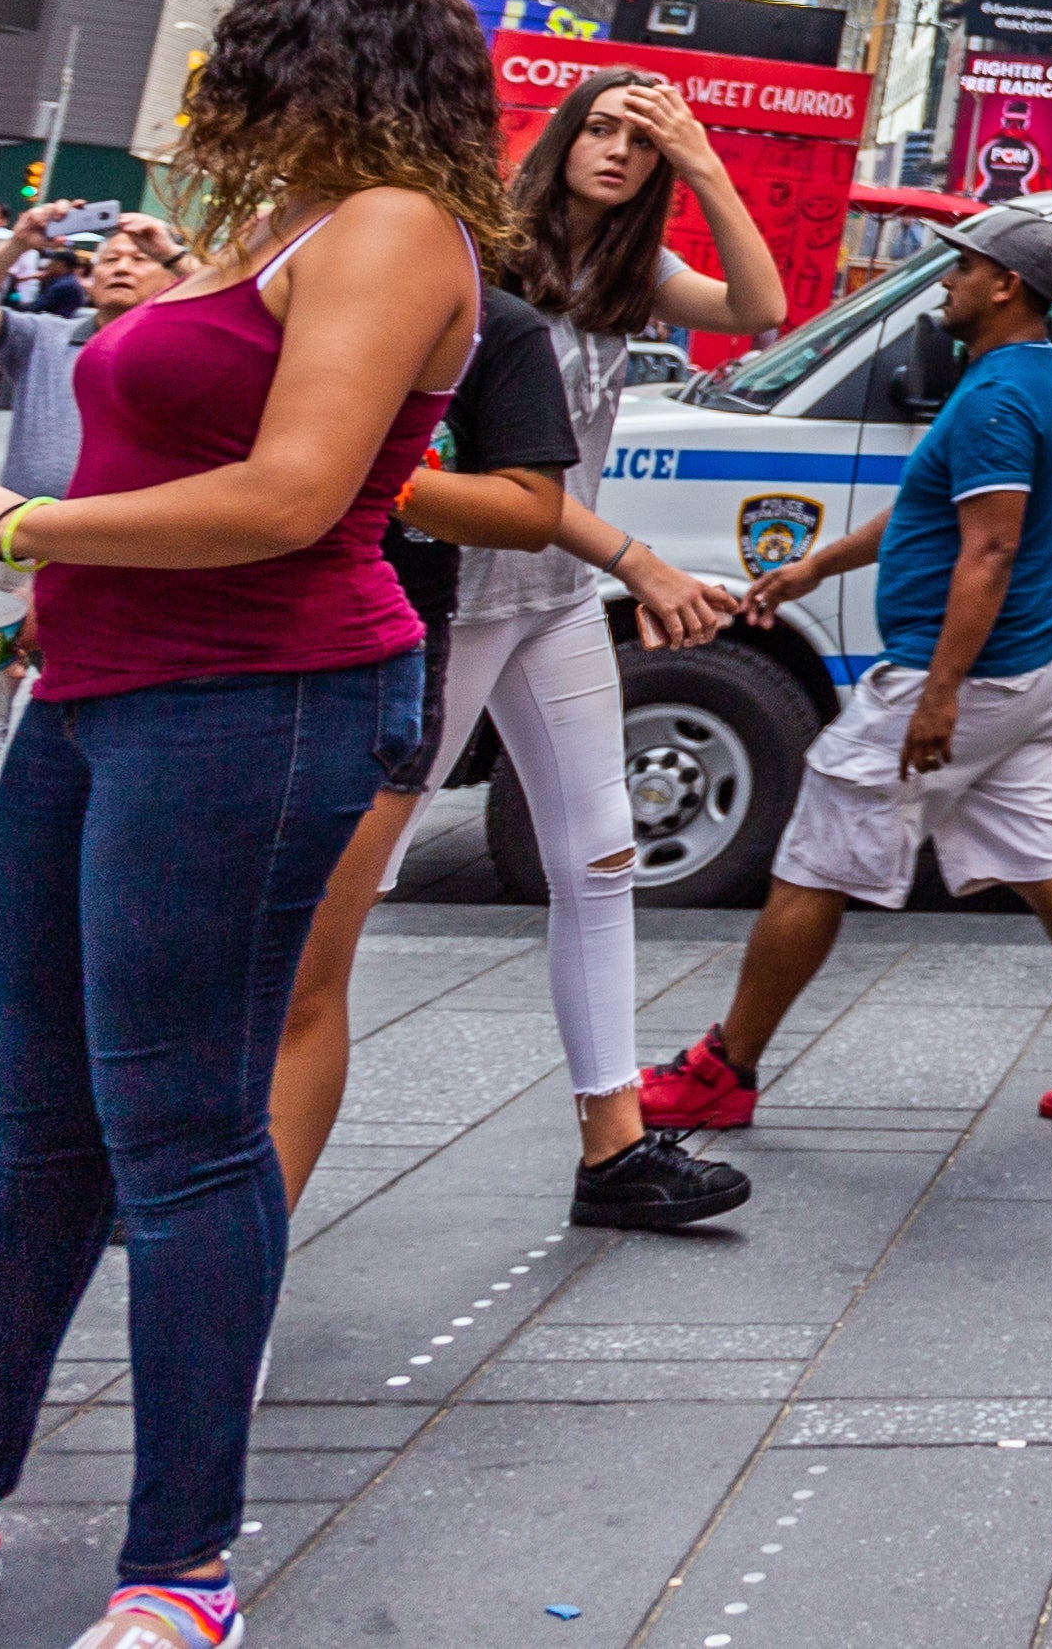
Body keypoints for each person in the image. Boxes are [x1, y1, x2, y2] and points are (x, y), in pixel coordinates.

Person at [0, 0, 503, 1649]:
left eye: (239, 54)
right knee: (42, 1130)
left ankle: (182, 1570)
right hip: (95, 701)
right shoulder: (266, 232)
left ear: (319, 60)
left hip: (258, 705)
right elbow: (140, 467)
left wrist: (3, 528)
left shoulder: (387, 228)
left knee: (181, 1138)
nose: (209, 91)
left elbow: (291, 498)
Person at [317, 74, 784, 1207]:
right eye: (605, 126)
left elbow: (760, 307)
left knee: (602, 858)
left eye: (645, 139)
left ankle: (613, 1146)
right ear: (562, 133)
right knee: (350, 870)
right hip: (459, 592)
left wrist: (705, 158)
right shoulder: (481, 261)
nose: (620, 151)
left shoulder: (629, 275)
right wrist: (637, 560)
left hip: (555, 596)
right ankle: (220, 1132)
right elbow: (511, 487)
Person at [635, 209, 1052, 1139]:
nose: (944, 283)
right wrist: (817, 566)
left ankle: (725, 1069)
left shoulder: (1000, 398)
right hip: (1027, 672)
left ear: (1006, 284)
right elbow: (933, 509)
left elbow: (990, 549)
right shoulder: (1021, 377)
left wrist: (936, 694)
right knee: (1045, 854)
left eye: (960, 267)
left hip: (966, 682)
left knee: (812, 858)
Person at [0, 204, 184, 896]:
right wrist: (18, 240)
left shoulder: (177, 341)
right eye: (108, 255)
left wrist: (171, 255)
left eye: (138, 257)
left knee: (95, 692)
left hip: (119, 551)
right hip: (13, 544)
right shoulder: (46, 335)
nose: (120, 262)